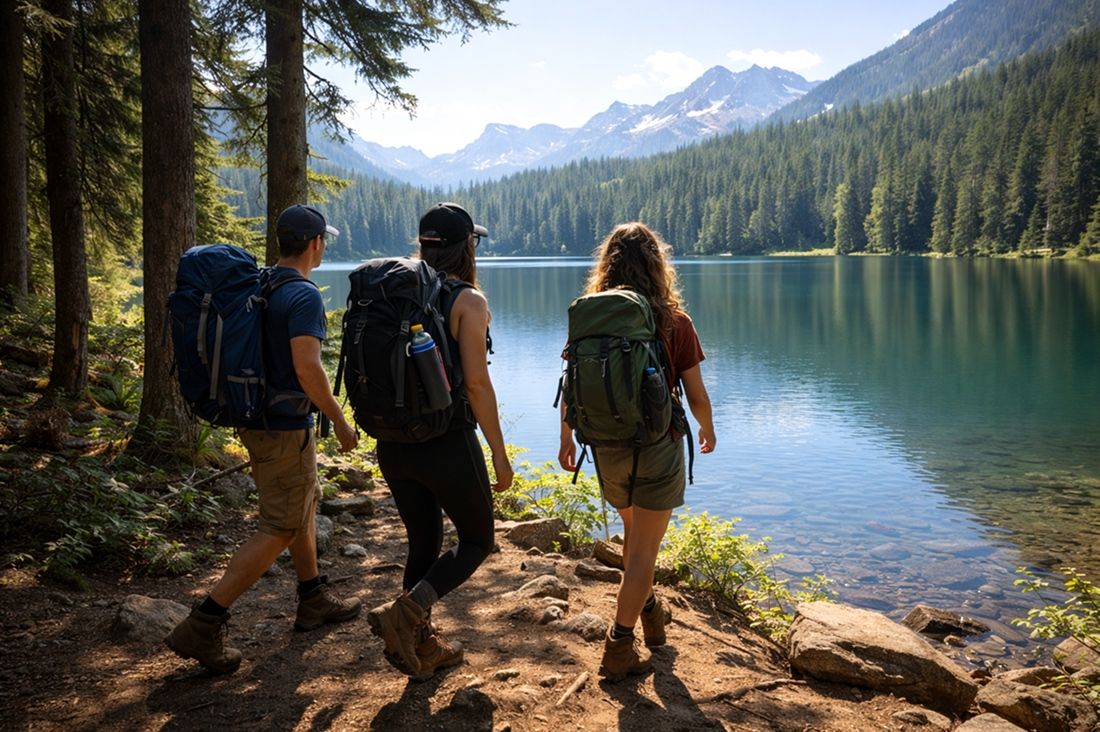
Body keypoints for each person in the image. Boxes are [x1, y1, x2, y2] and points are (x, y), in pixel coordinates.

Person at [165, 204, 361, 674]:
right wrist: (338, 419)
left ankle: (312, 597)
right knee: (280, 526)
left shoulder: (265, 283)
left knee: (301, 507)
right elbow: (307, 367)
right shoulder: (303, 295)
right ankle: (204, 623)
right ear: (315, 244)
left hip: (259, 418)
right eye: (324, 241)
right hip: (282, 429)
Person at [558, 222, 716, 681]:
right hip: (657, 445)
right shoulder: (674, 321)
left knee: (634, 536)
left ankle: (650, 612)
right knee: (645, 551)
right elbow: (696, 393)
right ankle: (619, 646)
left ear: (606, 266)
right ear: (657, 264)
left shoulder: (591, 319)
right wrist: (707, 427)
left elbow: (571, 384)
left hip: (606, 444)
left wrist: (566, 437)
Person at [367, 202, 514, 680]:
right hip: (446, 442)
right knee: (477, 540)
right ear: (467, 246)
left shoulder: (394, 291)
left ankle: (421, 644)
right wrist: (499, 453)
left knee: (424, 541)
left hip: (393, 440)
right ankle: (406, 615)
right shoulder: (467, 301)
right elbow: (477, 385)